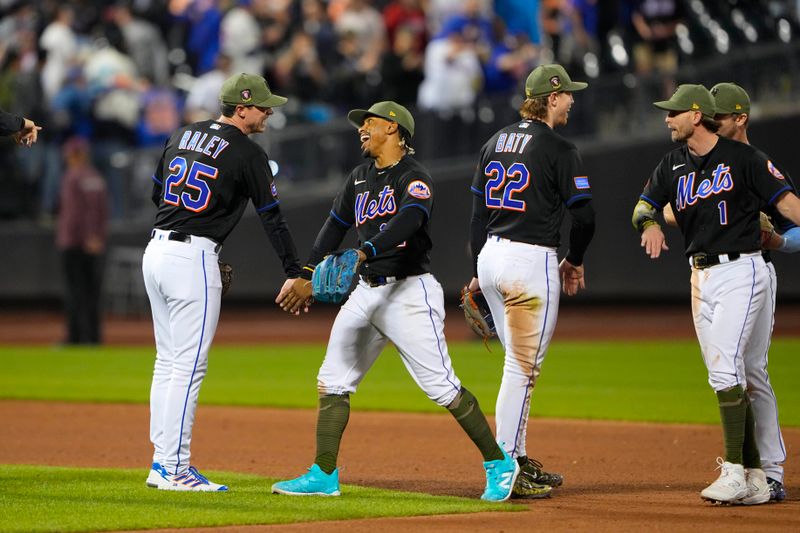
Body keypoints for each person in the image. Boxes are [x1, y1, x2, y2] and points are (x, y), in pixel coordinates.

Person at [272, 101, 521, 502]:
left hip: (409, 292)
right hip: (367, 291)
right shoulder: (358, 177)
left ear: (393, 128)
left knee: (441, 387)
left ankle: (499, 463)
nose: (361, 129)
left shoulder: (414, 177)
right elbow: (333, 229)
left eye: (368, 122)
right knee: (332, 380)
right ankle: (323, 472)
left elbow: (411, 218)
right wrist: (305, 274)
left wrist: (365, 250)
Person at [632, 84, 800, 504]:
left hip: (745, 269)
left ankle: (742, 470)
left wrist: (778, 242)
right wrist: (649, 222)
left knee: (739, 372)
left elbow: (792, 214)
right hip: (700, 275)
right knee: (734, 373)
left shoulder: (749, 161)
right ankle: (758, 475)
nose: (666, 119)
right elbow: (656, 207)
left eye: (674, 112)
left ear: (698, 115)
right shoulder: (676, 165)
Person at [143, 73, 303, 492]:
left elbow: (156, 193)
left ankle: (162, 461)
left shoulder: (181, 133)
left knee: (167, 361)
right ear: (242, 106)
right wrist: (294, 270)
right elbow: (273, 217)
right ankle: (174, 467)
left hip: (156, 250)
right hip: (191, 258)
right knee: (189, 367)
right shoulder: (247, 152)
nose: (270, 111)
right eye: (264, 105)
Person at [467, 64, 595, 498]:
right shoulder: (559, 148)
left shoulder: (493, 142)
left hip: (491, 256)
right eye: (568, 94)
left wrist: (477, 268)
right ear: (552, 98)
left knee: (516, 367)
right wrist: (574, 259)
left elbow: (477, 216)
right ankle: (504, 464)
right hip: (529, 261)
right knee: (521, 370)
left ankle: (517, 457)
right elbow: (585, 216)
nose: (573, 100)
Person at [56, 137, 109, 346]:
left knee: (75, 292)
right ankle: (93, 337)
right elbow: (102, 211)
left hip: (74, 242)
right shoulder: (96, 177)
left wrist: (88, 236)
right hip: (93, 243)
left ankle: (75, 337)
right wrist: (97, 237)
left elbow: (77, 213)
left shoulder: (72, 177)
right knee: (92, 292)